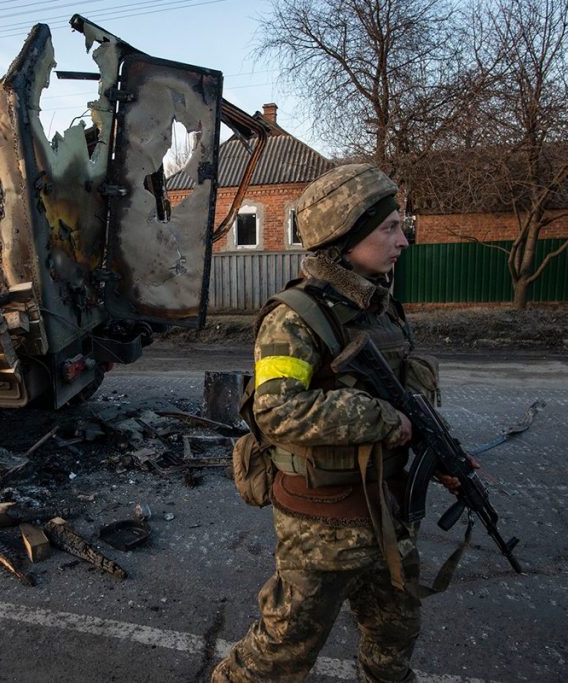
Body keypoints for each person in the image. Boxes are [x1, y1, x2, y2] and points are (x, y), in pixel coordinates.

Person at [213, 163, 457, 683]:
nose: (403, 240)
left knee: (394, 640)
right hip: (321, 523)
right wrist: (381, 419)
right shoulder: (295, 317)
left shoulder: (380, 308)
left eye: (400, 225)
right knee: (281, 653)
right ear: (345, 237)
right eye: (389, 228)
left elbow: (410, 401)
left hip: (388, 512)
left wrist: (444, 456)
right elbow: (276, 410)